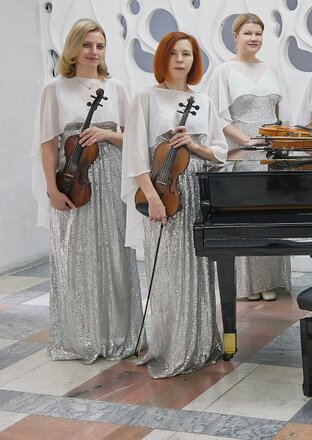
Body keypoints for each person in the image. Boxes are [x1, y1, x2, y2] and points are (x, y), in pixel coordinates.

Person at [31, 18, 142, 364]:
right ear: (73, 48)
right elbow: (48, 145)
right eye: (87, 45)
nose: (94, 52)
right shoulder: (54, 89)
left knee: (115, 255)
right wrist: (52, 190)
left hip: (112, 183)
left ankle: (120, 334)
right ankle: (81, 336)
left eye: (100, 46)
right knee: (75, 258)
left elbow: (135, 139)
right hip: (73, 182)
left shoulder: (118, 88)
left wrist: (107, 135)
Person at [121, 31, 227, 378]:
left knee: (198, 270)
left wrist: (194, 146)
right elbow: (135, 154)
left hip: (196, 195)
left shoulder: (204, 101)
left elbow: (220, 153)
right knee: (167, 272)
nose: (181, 60)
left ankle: (200, 345)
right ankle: (170, 347)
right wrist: (152, 198)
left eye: (187, 54)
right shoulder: (146, 98)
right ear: (163, 58)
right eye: (174, 54)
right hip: (162, 197)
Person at [207, 13, 291, 302]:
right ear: (235, 36)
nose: (254, 38)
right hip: (242, 149)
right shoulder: (223, 71)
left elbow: (278, 113)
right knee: (247, 213)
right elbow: (217, 117)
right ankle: (247, 284)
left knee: (270, 213)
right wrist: (248, 142)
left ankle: (269, 280)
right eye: (247, 33)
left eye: (258, 33)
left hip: (271, 149)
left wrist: (277, 140)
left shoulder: (270, 68)